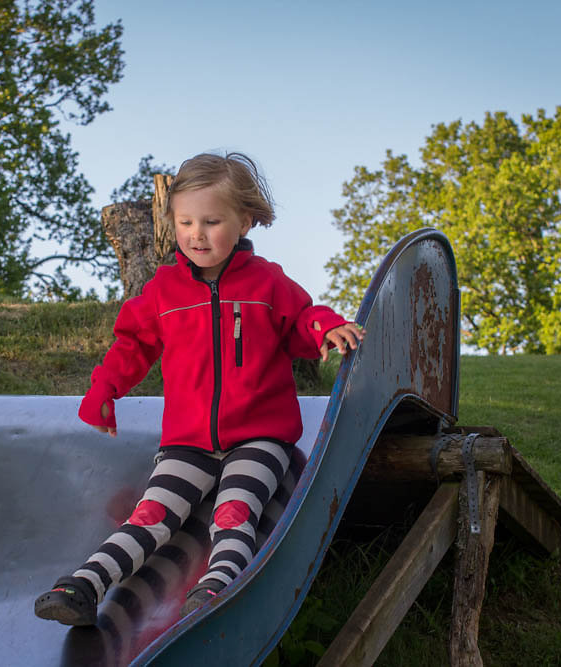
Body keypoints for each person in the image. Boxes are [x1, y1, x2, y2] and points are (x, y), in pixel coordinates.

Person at [34, 152, 363, 626]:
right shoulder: (164, 290)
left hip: (260, 437)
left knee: (233, 511)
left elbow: (302, 318)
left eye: (212, 221)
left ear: (245, 220)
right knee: (150, 514)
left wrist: (327, 327)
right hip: (187, 442)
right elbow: (132, 344)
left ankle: (219, 583)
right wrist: (105, 390)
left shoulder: (266, 282)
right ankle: (85, 584)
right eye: (186, 221)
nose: (197, 234)